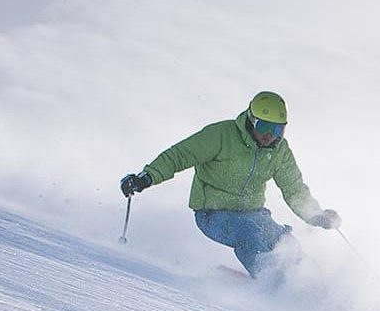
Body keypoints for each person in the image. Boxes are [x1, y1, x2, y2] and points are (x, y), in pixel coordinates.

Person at [118, 91, 340, 284]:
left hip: (255, 214)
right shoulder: (221, 136)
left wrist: (315, 215)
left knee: (286, 243)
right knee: (251, 235)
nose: (269, 136)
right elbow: (180, 155)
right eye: (264, 127)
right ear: (252, 121)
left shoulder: (279, 151)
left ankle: (314, 286)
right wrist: (146, 177)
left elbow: (294, 188)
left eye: (277, 130)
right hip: (213, 214)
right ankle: (272, 282)